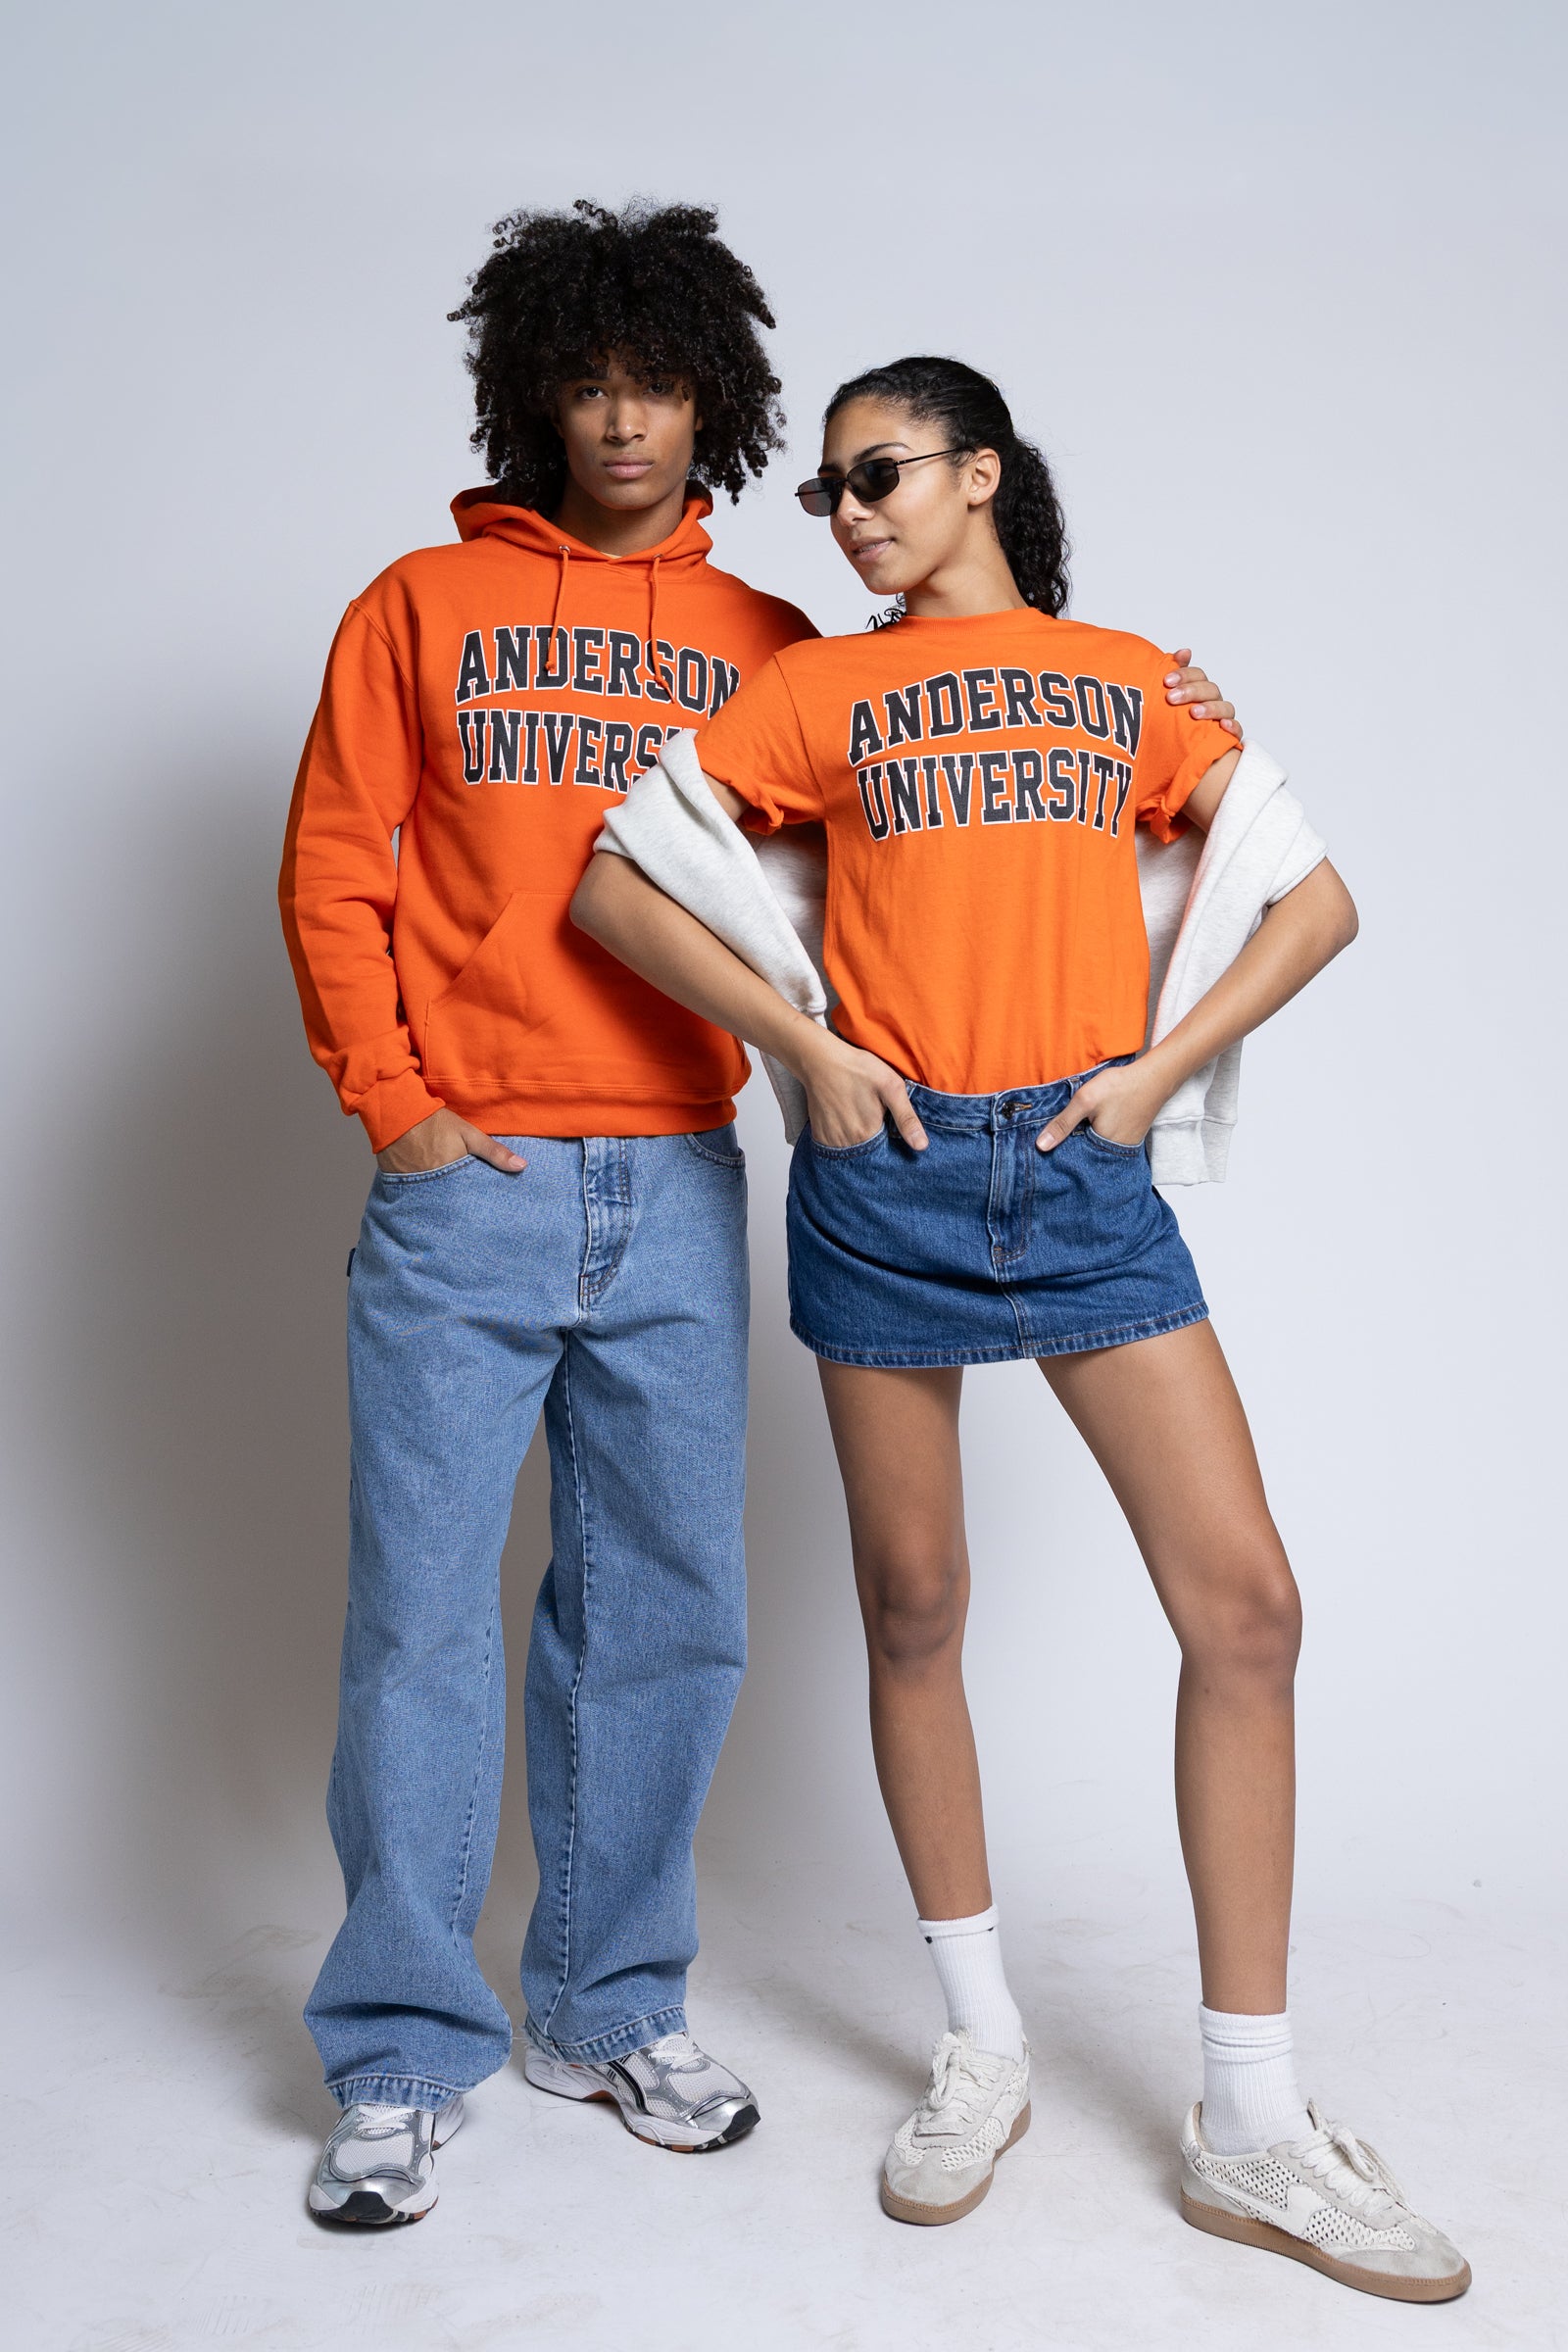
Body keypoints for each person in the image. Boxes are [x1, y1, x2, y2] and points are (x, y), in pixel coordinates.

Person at [570, 356, 1471, 2302]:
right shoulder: (813, 688)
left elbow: (1304, 902)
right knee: (909, 1605)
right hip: (883, 1172)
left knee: (1244, 1608)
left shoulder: (1133, 676)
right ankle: (978, 2042)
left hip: (1074, 1165)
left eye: (877, 474)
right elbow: (619, 881)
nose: (850, 514)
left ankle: (1248, 2125)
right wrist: (796, 1048)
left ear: (978, 473)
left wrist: (1154, 1076)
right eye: (824, 494)